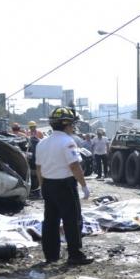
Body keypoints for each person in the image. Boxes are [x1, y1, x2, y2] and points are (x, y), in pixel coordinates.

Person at [35, 107, 93, 265]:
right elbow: (75, 166)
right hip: (64, 186)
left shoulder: (42, 143)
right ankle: (75, 255)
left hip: (47, 185)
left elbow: (39, 168)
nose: (73, 127)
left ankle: (51, 255)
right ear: (66, 124)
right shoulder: (68, 142)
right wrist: (84, 186)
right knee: (72, 220)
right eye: (72, 124)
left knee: (50, 221)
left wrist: (41, 187)